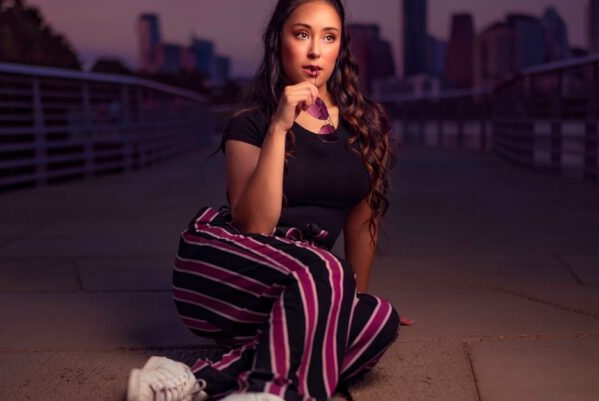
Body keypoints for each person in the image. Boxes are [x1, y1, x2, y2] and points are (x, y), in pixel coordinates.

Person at [126, 1, 414, 400]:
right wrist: (280, 126)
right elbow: (255, 225)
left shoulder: (367, 125)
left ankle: (195, 379)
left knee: (381, 319)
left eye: (328, 37)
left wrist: (350, 305)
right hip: (229, 269)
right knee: (327, 268)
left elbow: (362, 224)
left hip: (309, 287)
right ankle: (270, 391)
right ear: (279, 41)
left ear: (340, 47)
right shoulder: (252, 121)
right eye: (302, 34)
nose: (315, 50)